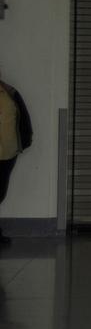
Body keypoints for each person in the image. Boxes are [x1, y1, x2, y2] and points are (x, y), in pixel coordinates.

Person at [0, 74, 34, 248]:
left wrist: (26, 138)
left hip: (7, 152)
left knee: (0, 193)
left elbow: (22, 115)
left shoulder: (10, 93)